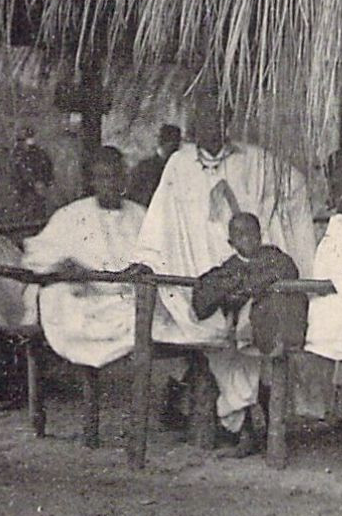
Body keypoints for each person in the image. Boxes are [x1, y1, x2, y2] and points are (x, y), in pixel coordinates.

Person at [133, 91, 316, 443]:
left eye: (215, 118)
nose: (207, 126)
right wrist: (147, 257)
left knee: (249, 332)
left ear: (227, 121)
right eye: (199, 119)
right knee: (211, 331)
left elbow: (293, 186)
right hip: (197, 268)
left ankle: (242, 422)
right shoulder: (179, 164)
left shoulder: (254, 160)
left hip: (244, 269)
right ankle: (236, 422)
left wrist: (274, 225)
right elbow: (159, 216)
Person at [22, 148, 148, 371]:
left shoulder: (141, 215)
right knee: (59, 298)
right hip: (86, 294)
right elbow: (37, 256)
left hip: (127, 296)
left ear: (124, 178)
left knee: (146, 312)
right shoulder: (71, 214)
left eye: (115, 176)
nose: (109, 184)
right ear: (93, 181)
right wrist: (62, 265)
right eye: (102, 177)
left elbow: (158, 256)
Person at [190, 213, 302, 457]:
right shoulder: (229, 267)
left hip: (267, 336)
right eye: (240, 235)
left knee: (262, 376)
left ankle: (268, 431)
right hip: (237, 342)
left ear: (260, 235)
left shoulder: (274, 258)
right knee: (227, 366)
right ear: (231, 241)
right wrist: (234, 289)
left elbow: (288, 271)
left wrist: (244, 287)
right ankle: (245, 432)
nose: (247, 239)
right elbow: (205, 294)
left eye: (252, 233)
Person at [127, 124, 183, 207]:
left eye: (177, 143)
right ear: (163, 142)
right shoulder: (144, 167)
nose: (177, 147)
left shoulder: (180, 168)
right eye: (173, 142)